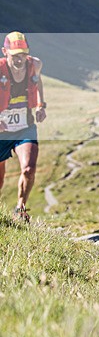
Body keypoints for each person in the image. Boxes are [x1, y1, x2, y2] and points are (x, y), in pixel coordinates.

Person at [0, 32, 46, 223]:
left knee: (28, 168)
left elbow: (39, 81)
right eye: (14, 55)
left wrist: (41, 104)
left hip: (24, 126)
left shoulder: (34, 65)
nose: (19, 59)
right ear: (5, 52)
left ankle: (20, 208)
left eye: (23, 54)